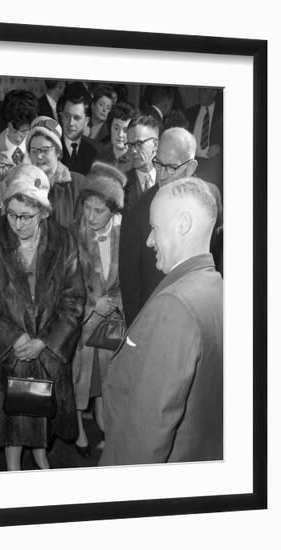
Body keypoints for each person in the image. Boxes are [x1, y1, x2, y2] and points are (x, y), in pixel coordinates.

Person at [0, 164, 86, 471]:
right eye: (12, 214)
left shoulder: (63, 242)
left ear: (44, 212)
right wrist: (14, 338)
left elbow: (73, 301)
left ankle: (41, 455)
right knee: (12, 421)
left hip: (46, 352)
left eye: (26, 217)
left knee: (41, 412)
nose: (17, 224)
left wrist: (45, 342)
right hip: (8, 353)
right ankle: (13, 468)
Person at [99, 177, 223, 465]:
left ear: (182, 224)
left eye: (154, 228)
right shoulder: (216, 286)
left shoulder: (174, 307)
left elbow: (146, 432)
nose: (148, 240)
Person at [119, 127, 223, 327]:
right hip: (158, 320)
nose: (162, 174)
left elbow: (217, 257)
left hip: (203, 314)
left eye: (171, 167)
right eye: (158, 163)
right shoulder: (138, 210)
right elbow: (130, 283)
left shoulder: (211, 197)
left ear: (191, 167)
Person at [69, 162, 126, 456]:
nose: (90, 216)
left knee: (106, 379)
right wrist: (92, 306)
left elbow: (128, 280)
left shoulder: (124, 234)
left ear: (113, 210)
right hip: (81, 325)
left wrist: (112, 303)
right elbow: (67, 285)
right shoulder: (73, 235)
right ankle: (79, 430)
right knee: (79, 380)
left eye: (98, 210)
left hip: (112, 325)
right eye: (87, 208)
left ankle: (105, 425)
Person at [26, 116, 86, 227]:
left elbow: (84, 232)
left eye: (45, 150)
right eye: (34, 151)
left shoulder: (78, 185)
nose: (39, 156)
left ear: (58, 152)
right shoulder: (23, 186)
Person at [0, 90, 38, 194]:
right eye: (13, 130)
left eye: (24, 131)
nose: (18, 138)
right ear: (7, 122)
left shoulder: (40, 145)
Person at [185, 87, 223, 194]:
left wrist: (220, 147)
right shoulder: (189, 112)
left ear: (214, 92)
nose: (200, 93)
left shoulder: (223, 112)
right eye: (199, 90)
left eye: (204, 90)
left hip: (213, 165)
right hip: (193, 164)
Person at [123, 115, 160, 211]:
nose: (133, 151)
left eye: (139, 144)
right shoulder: (121, 184)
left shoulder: (168, 180)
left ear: (155, 145)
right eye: (130, 145)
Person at [57, 89, 98, 175]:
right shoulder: (52, 146)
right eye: (66, 116)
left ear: (86, 121)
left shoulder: (95, 151)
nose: (71, 123)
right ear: (61, 116)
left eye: (77, 118)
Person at [95, 101, 136, 172]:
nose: (120, 134)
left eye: (125, 130)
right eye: (116, 128)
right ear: (110, 127)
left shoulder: (136, 160)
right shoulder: (100, 159)